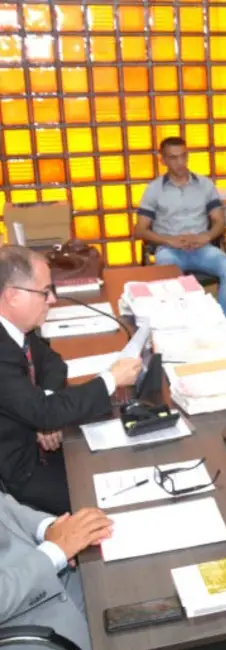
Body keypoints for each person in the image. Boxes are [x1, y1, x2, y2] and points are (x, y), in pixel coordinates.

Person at [0, 246, 141, 515]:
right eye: (44, 292)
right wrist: (111, 379)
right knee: (108, 502)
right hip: (17, 476)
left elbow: (53, 363)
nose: (52, 299)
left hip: (37, 447)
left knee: (116, 460)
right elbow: (43, 412)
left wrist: (45, 407)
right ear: (12, 296)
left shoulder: (18, 329)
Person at [133, 137, 226, 319]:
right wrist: (169, 240)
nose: (180, 162)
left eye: (183, 156)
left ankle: (222, 322)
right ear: (163, 160)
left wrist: (206, 236)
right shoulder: (154, 189)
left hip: (202, 247)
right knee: (168, 277)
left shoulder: (204, 184)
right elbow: (140, 230)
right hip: (170, 250)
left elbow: (219, 220)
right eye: (173, 158)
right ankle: (178, 326)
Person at [0, 492, 112, 650]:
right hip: (28, 627)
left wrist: (48, 529)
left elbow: (3, 505)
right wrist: (54, 552)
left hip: (63, 573)